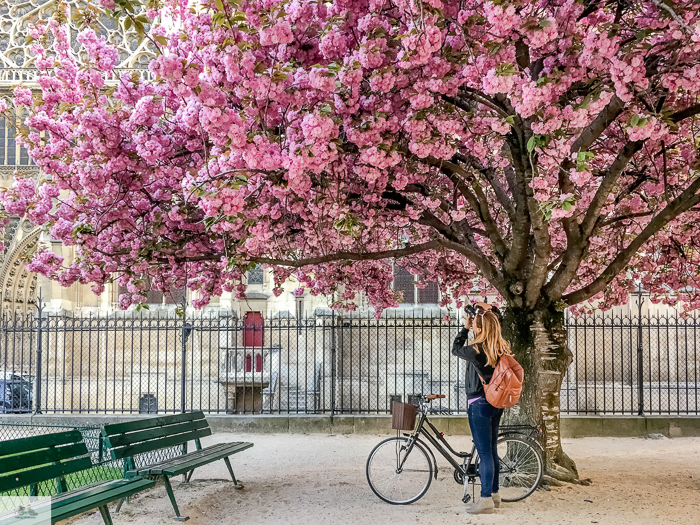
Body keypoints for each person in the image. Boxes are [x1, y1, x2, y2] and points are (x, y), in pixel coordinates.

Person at [452, 302, 512, 515]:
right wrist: (486, 311)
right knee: (492, 450)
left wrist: (465, 327)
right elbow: (494, 321)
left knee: (485, 453)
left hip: (478, 403)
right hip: (495, 403)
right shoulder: (499, 346)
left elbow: (455, 349)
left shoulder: (476, 349)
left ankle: (485, 499)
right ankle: (494, 494)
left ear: (480, 327)